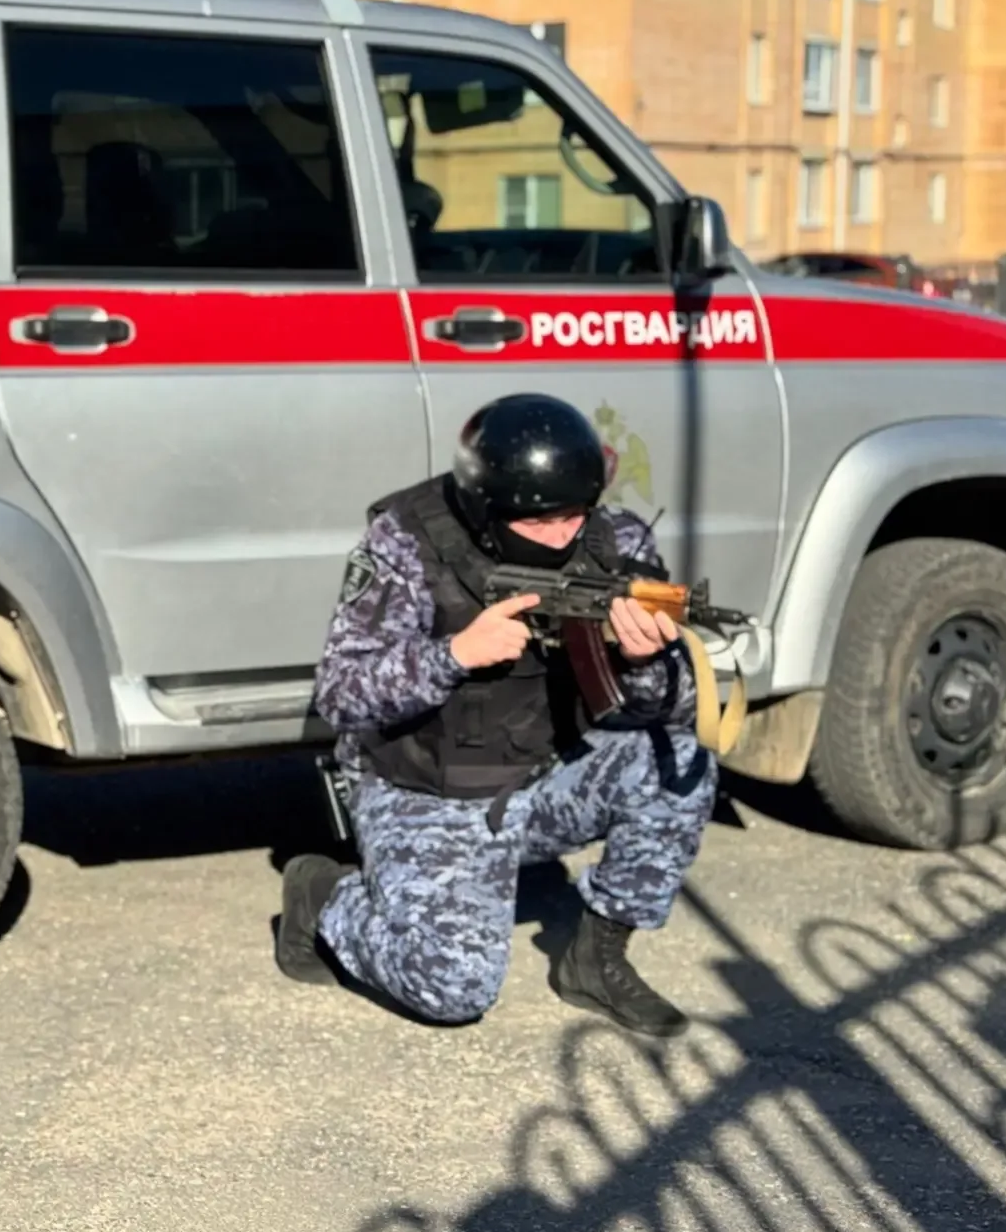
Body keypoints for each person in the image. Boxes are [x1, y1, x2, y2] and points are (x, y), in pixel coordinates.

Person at [275, 394, 714, 1039]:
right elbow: (341, 695)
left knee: (680, 761)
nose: (562, 535)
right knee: (451, 988)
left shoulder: (617, 540)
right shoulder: (407, 544)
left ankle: (597, 958)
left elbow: (674, 707)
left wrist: (641, 660)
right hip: (427, 785)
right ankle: (321, 896)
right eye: (539, 522)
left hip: (545, 770)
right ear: (487, 506)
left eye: (574, 515)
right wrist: (453, 655)